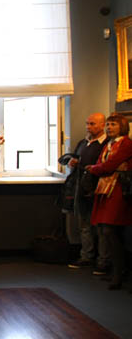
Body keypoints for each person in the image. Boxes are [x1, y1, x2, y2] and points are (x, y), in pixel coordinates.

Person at [86, 113, 132, 290]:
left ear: (122, 127)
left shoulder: (126, 144)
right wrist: (98, 168)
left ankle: (118, 272)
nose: (109, 127)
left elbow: (109, 165)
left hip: (119, 191)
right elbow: (103, 163)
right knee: (108, 232)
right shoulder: (109, 144)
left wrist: (95, 169)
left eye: (113, 124)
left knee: (111, 230)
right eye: (108, 124)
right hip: (106, 190)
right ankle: (117, 270)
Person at [67, 113, 109, 274]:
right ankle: (86, 256)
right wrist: (73, 162)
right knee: (84, 225)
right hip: (82, 188)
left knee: (101, 228)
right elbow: (77, 159)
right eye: (87, 123)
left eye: (92, 124)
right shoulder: (83, 143)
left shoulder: (106, 144)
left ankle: (103, 260)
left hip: (99, 190)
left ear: (102, 125)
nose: (88, 127)